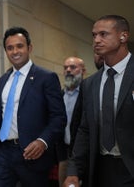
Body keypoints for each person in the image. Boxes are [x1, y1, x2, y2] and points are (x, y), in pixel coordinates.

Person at [0, 26, 66, 187]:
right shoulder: (3, 80)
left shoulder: (46, 77)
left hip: (32, 154)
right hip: (3, 151)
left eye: (19, 46)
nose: (15, 51)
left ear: (29, 48)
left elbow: (58, 117)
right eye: (10, 48)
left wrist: (42, 141)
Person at [64, 15, 134, 187]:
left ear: (123, 36)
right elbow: (85, 130)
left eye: (103, 34)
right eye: (94, 35)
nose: (96, 40)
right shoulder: (90, 84)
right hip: (100, 170)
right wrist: (73, 171)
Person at [55, 57, 86, 187]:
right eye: (65, 67)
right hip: (64, 154)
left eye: (73, 67)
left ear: (83, 71)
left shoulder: (88, 94)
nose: (68, 70)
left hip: (83, 154)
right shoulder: (59, 96)